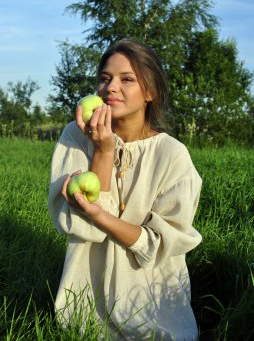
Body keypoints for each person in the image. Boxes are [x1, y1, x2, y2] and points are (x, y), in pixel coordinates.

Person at [48, 38, 202, 340]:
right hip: (86, 294)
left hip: (152, 296)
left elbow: (159, 245)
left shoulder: (172, 154)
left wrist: (101, 216)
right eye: (104, 79)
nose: (110, 88)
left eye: (126, 79)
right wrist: (103, 152)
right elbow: (80, 229)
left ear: (150, 92)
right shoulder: (75, 137)